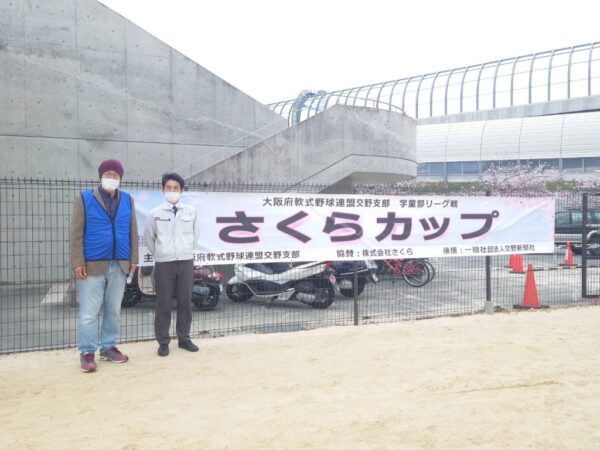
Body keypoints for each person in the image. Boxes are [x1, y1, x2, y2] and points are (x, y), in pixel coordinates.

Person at [70, 159, 138, 372]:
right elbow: (76, 233)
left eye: (116, 175)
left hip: (120, 263)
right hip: (92, 265)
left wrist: (133, 259)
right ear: (100, 176)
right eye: (108, 174)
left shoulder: (127, 200)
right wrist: (78, 261)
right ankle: (87, 351)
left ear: (121, 178)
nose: (112, 178)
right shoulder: (84, 198)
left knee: (113, 310)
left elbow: (132, 231)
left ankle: (108, 347)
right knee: (89, 313)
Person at [144, 173, 200, 356]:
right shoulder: (155, 213)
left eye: (176, 188)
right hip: (164, 263)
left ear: (182, 190)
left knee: (185, 302)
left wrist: (185, 251)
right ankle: (163, 341)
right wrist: (162, 253)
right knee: (163, 303)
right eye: (169, 188)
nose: (172, 191)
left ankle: (184, 338)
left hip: (185, 262)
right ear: (163, 190)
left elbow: (195, 235)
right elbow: (149, 238)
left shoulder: (191, 212)